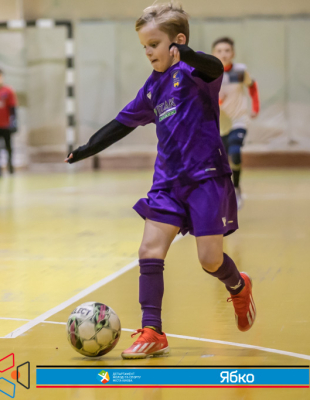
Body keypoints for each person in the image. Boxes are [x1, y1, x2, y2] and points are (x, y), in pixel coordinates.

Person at [66, 2, 256, 359]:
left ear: (177, 42)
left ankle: (237, 285)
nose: (149, 52)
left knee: (210, 260)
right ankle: (152, 330)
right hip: (167, 183)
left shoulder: (196, 72)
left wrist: (187, 54)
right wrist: (87, 148)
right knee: (149, 251)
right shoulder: (152, 88)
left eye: (154, 44)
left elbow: (215, 66)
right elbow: (121, 124)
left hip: (206, 179)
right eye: (145, 46)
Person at [213, 37, 260, 209]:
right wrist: (217, 101)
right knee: (221, 161)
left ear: (233, 53)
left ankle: (237, 187)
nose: (223, 54)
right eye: (219, 51)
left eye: (227, 50)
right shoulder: (210, 73)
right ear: (213, 54)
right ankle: (224, 192)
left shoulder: (240, 71)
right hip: (220, 124)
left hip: (239, 120)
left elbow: (252, 86)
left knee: (235, 150)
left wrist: (255, 107)